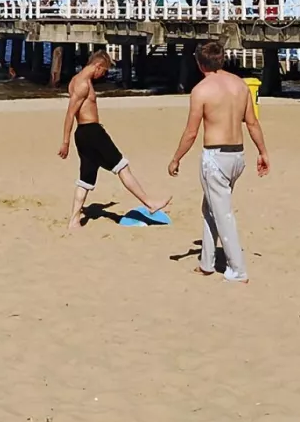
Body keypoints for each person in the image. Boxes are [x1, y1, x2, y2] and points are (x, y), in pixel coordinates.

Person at [167, 41, 271, 283]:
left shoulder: (201, 90)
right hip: (238, 155)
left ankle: (238, 270)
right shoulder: (240, 85)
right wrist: (262, 151)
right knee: (210, 208)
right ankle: (207, 262)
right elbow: (252, 123)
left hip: (216, 157)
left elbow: (191, 132)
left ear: (199, 63)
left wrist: (176, 158)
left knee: (222, 213)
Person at [57, 50, 167, 230]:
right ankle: (150, 203)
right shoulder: (83, 84)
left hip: (85, 133)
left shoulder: (76, 80)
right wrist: (65, 142)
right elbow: (70, 114)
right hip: (92, 133)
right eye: (104, 71)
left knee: (86, 178)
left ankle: (74, 220)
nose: (104, 74)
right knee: (122, 167)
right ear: (97, 66)